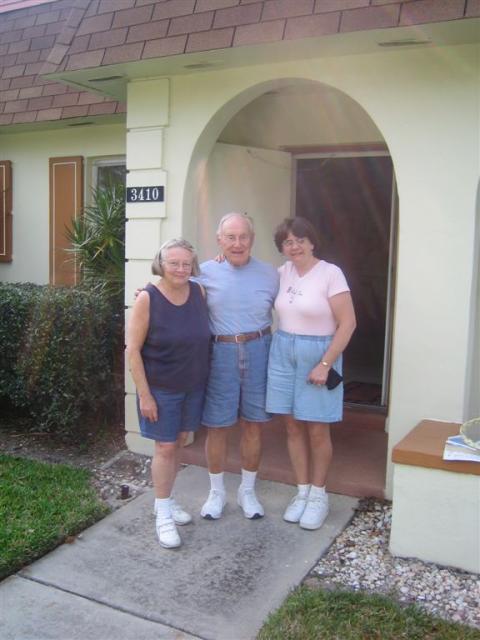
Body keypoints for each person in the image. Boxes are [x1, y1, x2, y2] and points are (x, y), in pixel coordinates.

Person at [266, 217, 356, 530]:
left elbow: (348, 324)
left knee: (317, 429)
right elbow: (245, 276)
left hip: (319, 354)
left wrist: (325, 364)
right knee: (291, 426)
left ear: (312, 241)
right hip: (282, 351)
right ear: (282, 248)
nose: (295, 246)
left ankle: (319, 496)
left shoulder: (331, 273)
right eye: (288, 242)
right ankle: (301, 492)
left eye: (300, 240)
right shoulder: (281, 273)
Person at [127, 239, 211, 548]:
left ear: (193, 266)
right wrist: (145, 395)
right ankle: (162, 513)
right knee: (164, 448)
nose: (179, 268)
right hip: (161, 389)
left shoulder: (198, 292)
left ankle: (167, 500)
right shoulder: (147, 299)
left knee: (178, 443)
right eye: (173, 263)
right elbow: (133, 351)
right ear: (161, 264)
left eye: (185, 263)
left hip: (193, 385)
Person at [197, 213, 279, 521]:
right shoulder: (202, 272)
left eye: (243, 237)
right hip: (221, 352)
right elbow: (171, 292)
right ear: (219, 240)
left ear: (252, 240)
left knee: (253, 424)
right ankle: (216, 492)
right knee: (217, 426)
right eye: (230, 237)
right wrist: (145, 296)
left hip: (260, 349)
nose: (237, 243)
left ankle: (247, 491)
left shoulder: (272, 274)